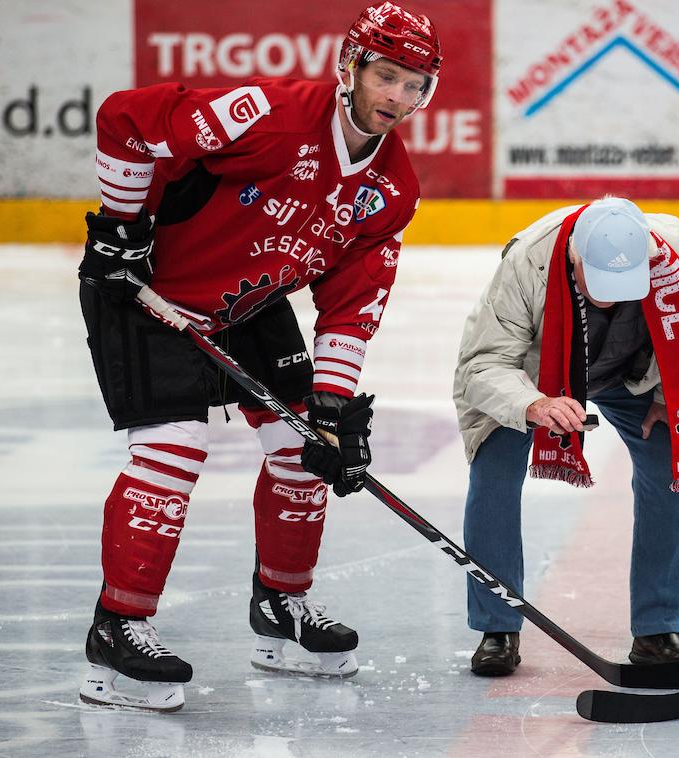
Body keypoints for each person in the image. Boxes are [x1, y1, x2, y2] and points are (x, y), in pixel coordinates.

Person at [76, 2, 442, 712]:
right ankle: (117, 628)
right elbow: (128, 120)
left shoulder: (392, 189)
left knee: (304, 444)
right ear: (350, 66)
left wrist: (334, 404)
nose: (397, 98)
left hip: (250, 305)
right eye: (387, 76)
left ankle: (281, 608)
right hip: (151, 291)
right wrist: (123, 226)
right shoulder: (266, 115)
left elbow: (355, 299)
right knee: (172, 453)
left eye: (415, 85)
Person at [453, 198, 679, 675]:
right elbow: (483, 364)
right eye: (600, 281)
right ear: (575, 258)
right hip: (535, 375)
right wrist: (533, 405)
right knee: (494, 469)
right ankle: (497, 627)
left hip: (634, 373)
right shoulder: (530, 264)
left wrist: (670, 394)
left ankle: (658, 630)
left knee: (670, 467)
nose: (613, 295)